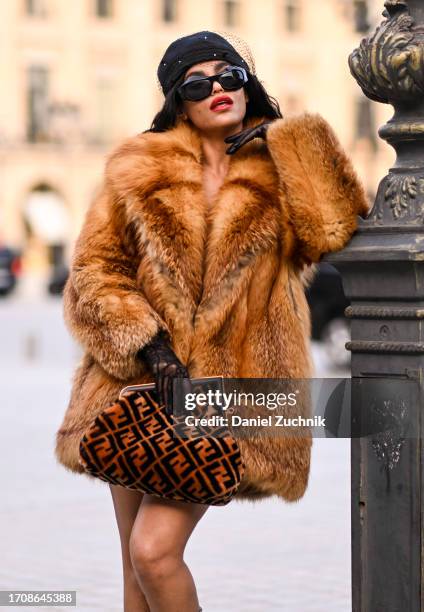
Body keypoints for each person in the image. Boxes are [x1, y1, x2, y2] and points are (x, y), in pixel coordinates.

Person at [55, 31, 369, 612]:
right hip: (133, 389)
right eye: (198, 82)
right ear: (178, 99)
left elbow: (337, 230)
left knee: (154, 554)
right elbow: (94, 274)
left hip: (226, 396)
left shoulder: (280, 173)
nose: (219, 87)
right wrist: (149, 346)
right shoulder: (136, 169)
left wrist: (292, 142)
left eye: (230, 74)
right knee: (134, 576)